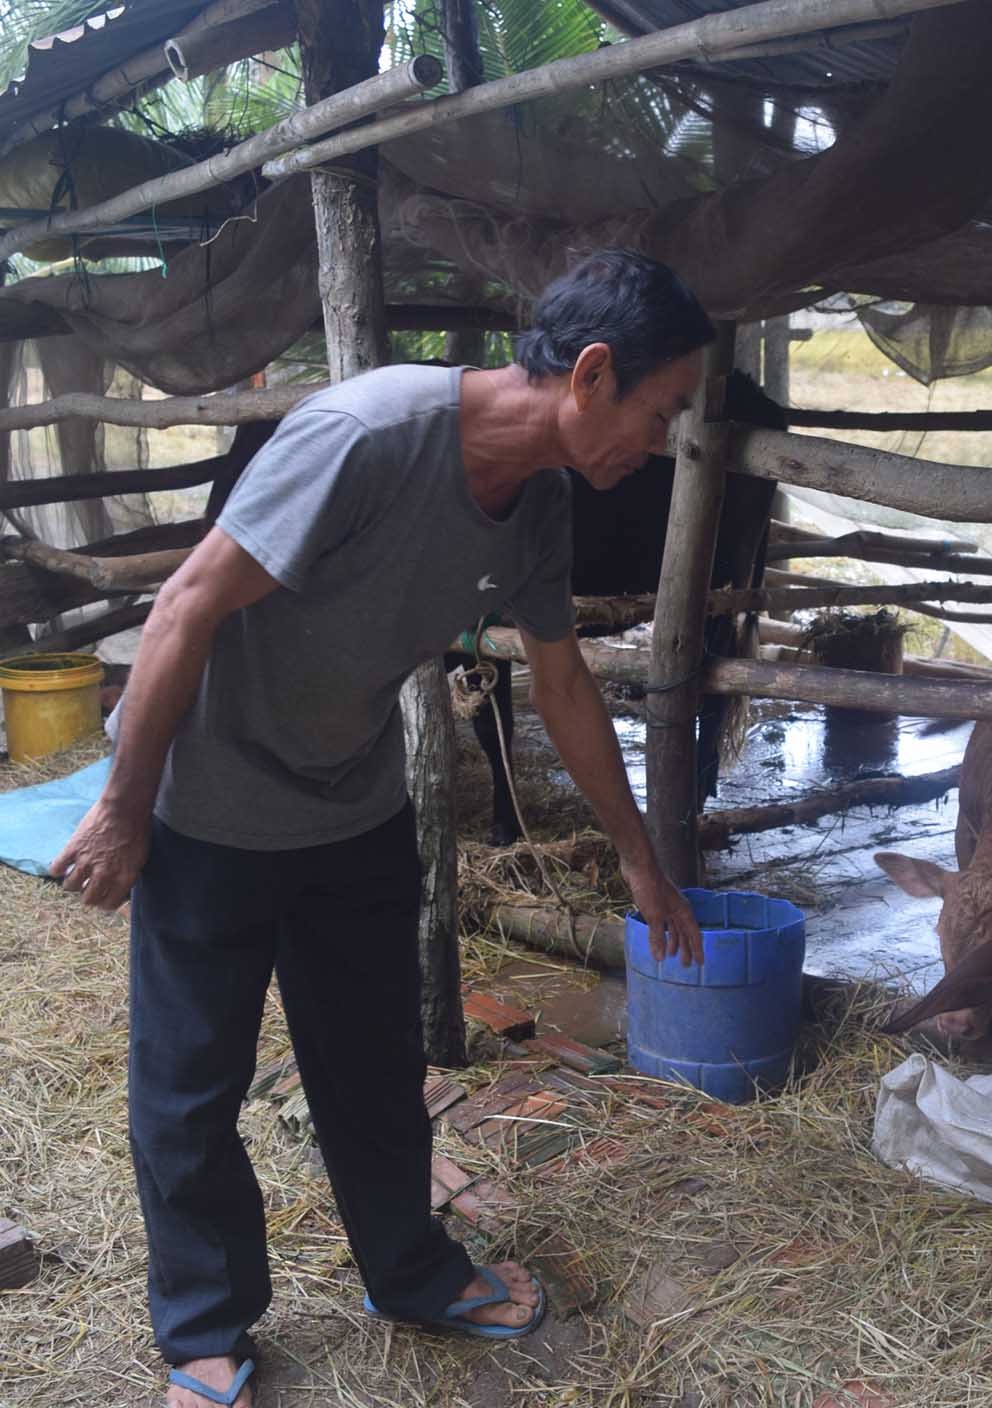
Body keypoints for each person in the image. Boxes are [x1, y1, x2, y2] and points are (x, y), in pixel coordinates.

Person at [50, 248, 713, 1408]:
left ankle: (408, 1271)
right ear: (592, 374)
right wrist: (122, 806)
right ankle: (206, 1325)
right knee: (189, 1085)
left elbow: (563, 685)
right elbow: (187, 602)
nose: (657, 444)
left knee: (371, 1066)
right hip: (209, 808)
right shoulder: (366, 437)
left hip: (352, 805)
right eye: (660, 414)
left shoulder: (539, 503)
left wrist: (639, 859)